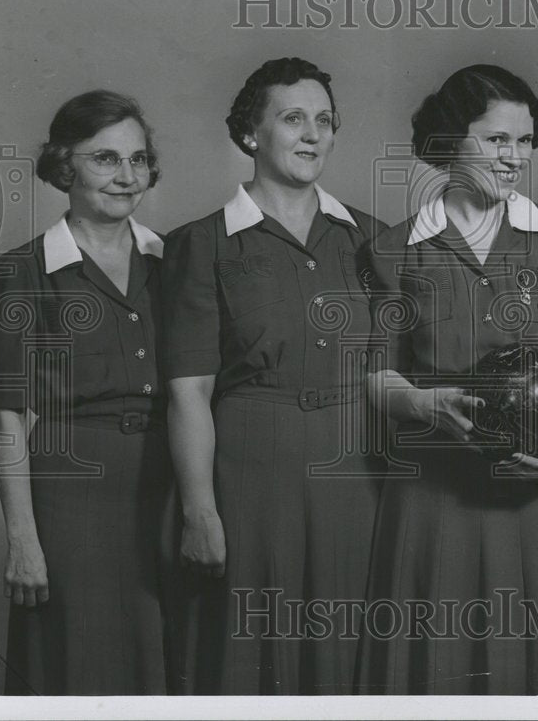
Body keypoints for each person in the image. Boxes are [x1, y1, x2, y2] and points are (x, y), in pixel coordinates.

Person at [357, 64, 538, 695]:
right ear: (449, 141)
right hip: (436, 496)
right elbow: (377, 379)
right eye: (499, 140)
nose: (516, 158)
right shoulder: (394, 249)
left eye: (526, 142)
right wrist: (425, 403)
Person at [161, 57, 384, 694]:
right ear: (251, 134)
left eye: (325, 120)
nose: (313, 134)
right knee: (251, 647)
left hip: (355, 473)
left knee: (348, 649)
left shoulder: (372, 239)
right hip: (251, 475)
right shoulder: (201, 244)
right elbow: (188, 391)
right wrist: (200, 511)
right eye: (293, 119)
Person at [0, 90, 169, 694]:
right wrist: (23, 543)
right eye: (105, 159)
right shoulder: (22, 271)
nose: (126, 176)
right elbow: (7, 417)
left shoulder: (174, 261)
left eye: (137, 160)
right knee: (75, 664)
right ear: (65, 166)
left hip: (164, 488)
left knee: (159, 659)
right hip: (71, 494)